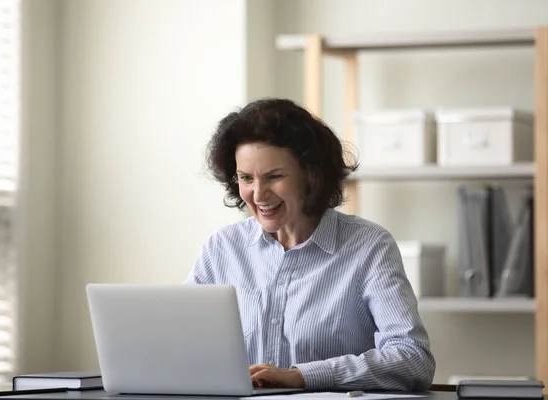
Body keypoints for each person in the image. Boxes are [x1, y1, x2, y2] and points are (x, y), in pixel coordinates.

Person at [184, 98, 435, 391]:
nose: (258, 194)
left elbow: (413, 360)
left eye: (274, 177)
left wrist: (303, 376)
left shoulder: (369, 247)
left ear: (311, 176)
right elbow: (180, 341)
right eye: (246, 178)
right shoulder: (222, 248)